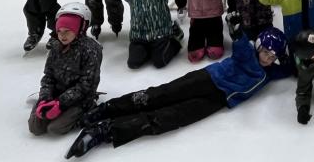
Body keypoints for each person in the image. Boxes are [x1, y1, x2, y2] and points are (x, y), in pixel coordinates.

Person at [64, 16, 290, 158]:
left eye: (273, 56)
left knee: (170, 117)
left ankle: (105, 131)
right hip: (207, 79)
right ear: (257, 47)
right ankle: (107, 109)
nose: (268, 58)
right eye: (265, 52)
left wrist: (302, 58)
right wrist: (238, 32)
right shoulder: (247, 53)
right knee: (159, 95)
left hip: (217, 100)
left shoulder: (269, 73)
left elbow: (289, 69)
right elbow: (240, 45)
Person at [29, 3, 102, 137]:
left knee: (55, 128)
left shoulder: (90, 50)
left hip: (79, 100)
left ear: (79, 29)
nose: (62, 35)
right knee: (35, 128)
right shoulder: (56, 47)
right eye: (59, 31)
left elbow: (86, 85)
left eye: (68, 31)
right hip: (56, 96)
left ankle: (87, 111)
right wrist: (45, 98)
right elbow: (48, 76)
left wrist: (61, 103)